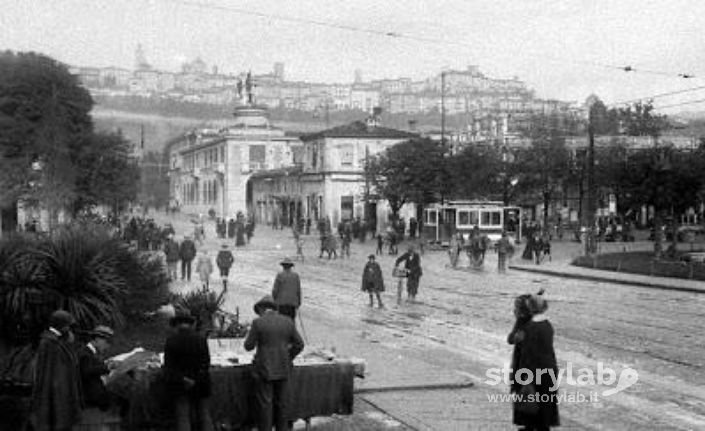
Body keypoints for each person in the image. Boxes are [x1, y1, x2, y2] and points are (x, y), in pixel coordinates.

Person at [244, 295, 304, 431]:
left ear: (262, 308)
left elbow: (248, 346)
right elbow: (300, 344)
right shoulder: (288, 321)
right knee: (282, 405)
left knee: (265, 405)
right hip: (284, 368)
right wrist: (288, 356)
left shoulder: (258, 323)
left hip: (264, 369)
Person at [507, 289, 559, 430]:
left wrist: (525, 376)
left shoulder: (529, 326)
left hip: (531, 369)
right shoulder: (539, 323)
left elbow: (529, 353)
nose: (514, 310)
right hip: (543, 369)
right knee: (536, 405)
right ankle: (531, 426)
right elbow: (511, 339)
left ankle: (532, 426)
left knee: (532, 402)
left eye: (517, 307)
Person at [29, 310, 83, 431]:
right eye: (67, 325)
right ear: (62, 325)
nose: (69, 328)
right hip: (56, 394)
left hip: (58, 393)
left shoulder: (55, 342)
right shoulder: (50, 343)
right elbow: (55, 373)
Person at [163, 310, 213, 431]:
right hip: (201, 383)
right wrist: (196, 379)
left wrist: (184, 379)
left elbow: (169, 367)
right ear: (191, 324)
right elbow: (206, 363)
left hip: (181, 385)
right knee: (204, 415)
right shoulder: (201, 339)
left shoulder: (171, 341)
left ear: (177, 325)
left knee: (183, 417)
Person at [75, 325, 118, 430]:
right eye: (106, 342)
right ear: (98, 339)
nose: (107, 346)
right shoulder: (85, 354)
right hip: (90, 398)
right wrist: (107, 367)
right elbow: (87, 371)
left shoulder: (90, 353)